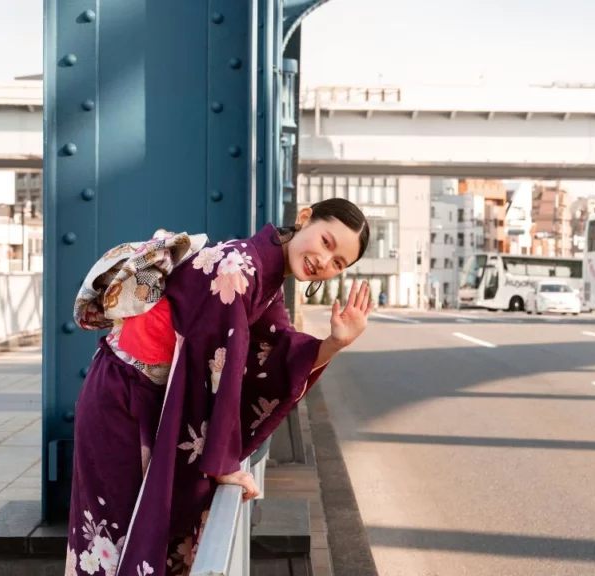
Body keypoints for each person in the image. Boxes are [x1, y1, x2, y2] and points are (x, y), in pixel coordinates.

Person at [65, 198, 371, 576]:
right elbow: (218, 366)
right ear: (304, 217)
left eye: (338, 263)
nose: (325, 262)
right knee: (109, 541)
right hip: (122, 401)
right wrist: (223, 464)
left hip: (141, 400)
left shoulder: (263, 275)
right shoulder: (238, 269)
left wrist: (335, 343)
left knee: (123, 540)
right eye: (326, 242)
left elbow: (275, 353)